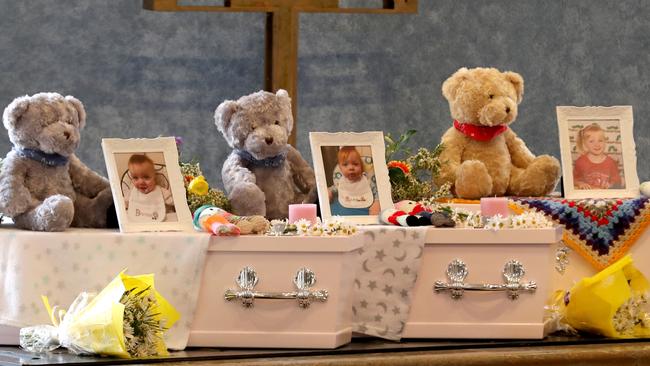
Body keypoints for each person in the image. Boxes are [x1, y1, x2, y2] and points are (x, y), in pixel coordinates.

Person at [328, 146, 380, 215]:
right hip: (345, 209)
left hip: (364, 209)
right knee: (333, 209)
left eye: (355, 164)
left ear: (361, 167)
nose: (351, 168)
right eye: (345, 164)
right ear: (340, 168)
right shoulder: (341, 182)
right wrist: (329, 192)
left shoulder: (367, 181)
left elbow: (377, 193)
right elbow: (333, 189)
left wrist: (376, 202)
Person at [124, 154, 174, 222]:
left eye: (146, 177)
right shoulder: (131, 193)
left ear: (154, 177)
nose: (141, 182)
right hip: (137, 223)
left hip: (159, 223)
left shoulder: (162, 192)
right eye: (135, 178)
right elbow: (123, 204)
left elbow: (175, 203)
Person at [573, 123, 623, 190]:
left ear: (605, 142)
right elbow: (573, 180)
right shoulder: (580, 162)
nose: (597, 144)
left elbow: (617, 182)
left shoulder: (611, 162)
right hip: (587, 196)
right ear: (585, 144)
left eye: (600, 140)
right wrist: (580, 184)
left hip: (605, 196)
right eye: (591, 141)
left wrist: (610, 185)